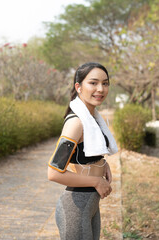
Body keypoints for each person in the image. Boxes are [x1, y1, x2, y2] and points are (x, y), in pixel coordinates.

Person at [48, 62, 118, 240]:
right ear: (78, 87)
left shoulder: (92, 119)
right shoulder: (76, 123)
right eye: (93, 83)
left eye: (105, 83)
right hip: (75, 208)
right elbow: (54, 173)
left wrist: (102, 164)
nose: (100, 89)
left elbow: (85, 153)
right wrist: (96, 181)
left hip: (89, 205)